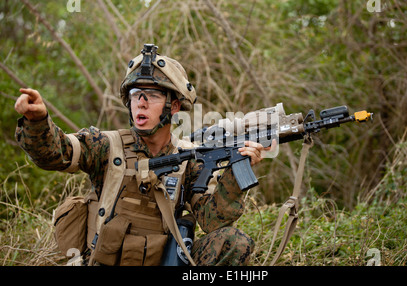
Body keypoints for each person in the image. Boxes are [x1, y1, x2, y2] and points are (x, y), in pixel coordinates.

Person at [14, 44, 270, 266]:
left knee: (233, 242)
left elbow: (213, 222)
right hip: (103, 260)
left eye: (154, 95)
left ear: (175, 106)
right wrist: (38, 121)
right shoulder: (105, 145)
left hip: (164, 260)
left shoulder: (189, 159)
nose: (142, 102)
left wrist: (235, 175)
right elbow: (56, 153)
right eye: (136, 95)